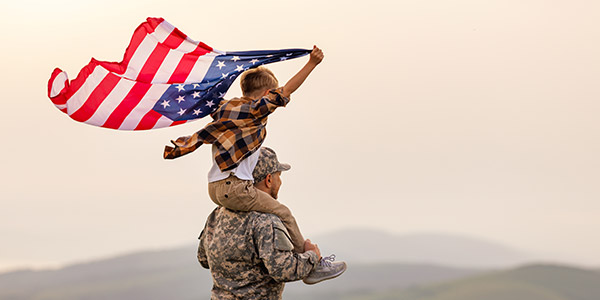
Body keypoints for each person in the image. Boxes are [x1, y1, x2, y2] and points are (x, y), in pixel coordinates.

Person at [165, 46, 324, 254]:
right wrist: (312, 63)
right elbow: (286, 91)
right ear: (267, 94)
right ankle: (310, 259)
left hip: (214, 188)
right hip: (235, 187)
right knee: (284, 213)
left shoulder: (225, 107)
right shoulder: (255, 110)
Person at [197, 148, 346, 299]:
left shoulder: (216, 215)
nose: (280, 181)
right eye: (278, 176)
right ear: (269, 180)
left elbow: (203, 259)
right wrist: (312, 256)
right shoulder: (265, 221)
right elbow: (283, 269)